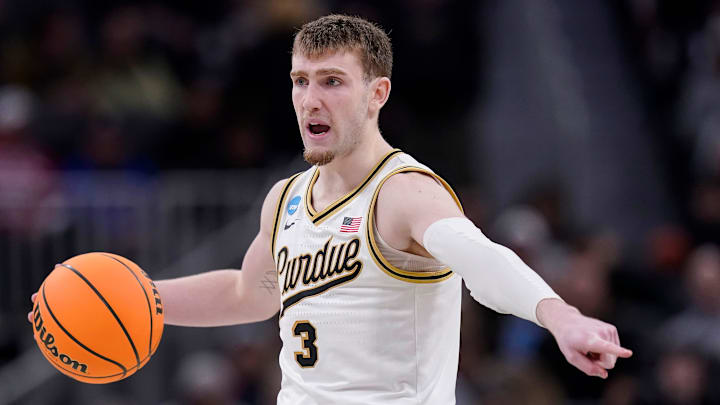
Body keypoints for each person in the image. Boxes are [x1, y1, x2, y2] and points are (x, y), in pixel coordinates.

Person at [29, 14, 632, 404]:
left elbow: (481, 259)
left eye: (332, 81)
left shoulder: (405, 192)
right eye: (300, 80)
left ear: (378, 94)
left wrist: (559, 316)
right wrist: (139, 299)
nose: (309, 99)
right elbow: (250, 293)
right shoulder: (286, 198)